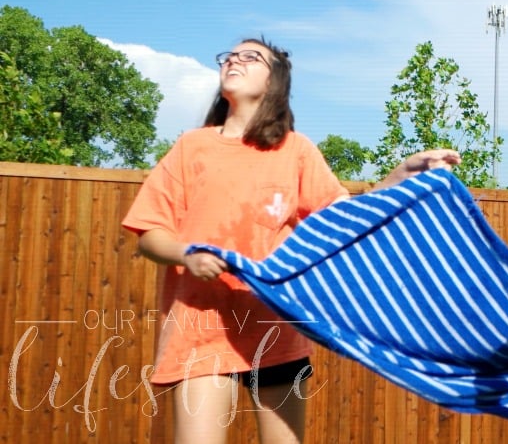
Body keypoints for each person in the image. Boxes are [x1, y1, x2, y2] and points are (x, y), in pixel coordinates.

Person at [122, 37, 460, 444]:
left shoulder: (295, 151)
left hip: (276, 329)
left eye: (251, 56)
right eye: (230, 55)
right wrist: (186, 253)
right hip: (201, 329)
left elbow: (342, 219)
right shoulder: (191, 147)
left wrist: (399, 175)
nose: (234, 59)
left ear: (275, 80)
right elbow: (149, 235)